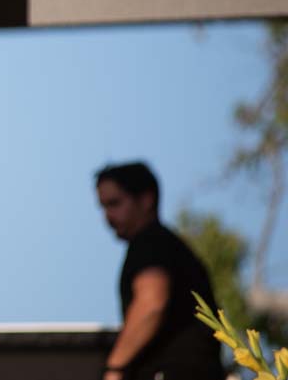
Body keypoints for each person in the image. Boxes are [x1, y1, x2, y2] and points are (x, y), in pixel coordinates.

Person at [95, 162, 225, 380]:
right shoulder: (167, 245)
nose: (107, 216)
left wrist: (115, 368)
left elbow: (152, 303)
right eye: (103, 207)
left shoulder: (151, 242)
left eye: (114, 203)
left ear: (146, 200)